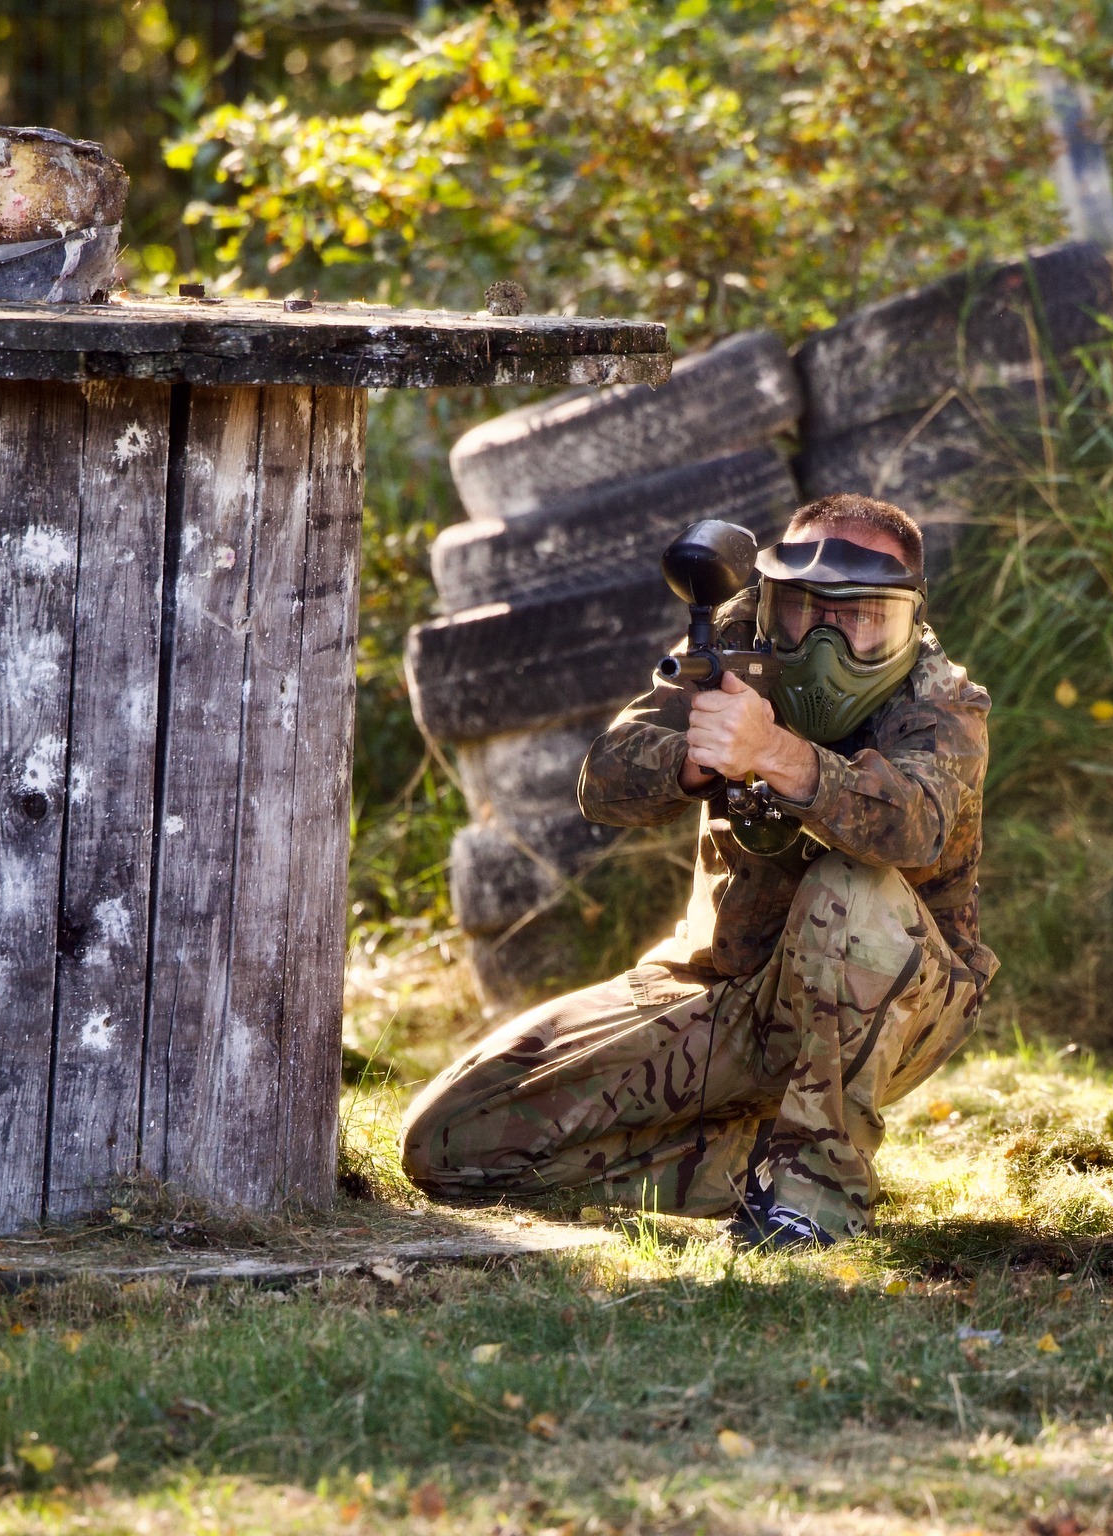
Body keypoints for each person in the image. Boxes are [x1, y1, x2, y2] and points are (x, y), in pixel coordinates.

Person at [401, 493, 996, 1250]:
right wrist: (693, 759)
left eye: (863, 616)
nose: (828, 640)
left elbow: (916, 828)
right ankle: (749, 1166)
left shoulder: (942, 701)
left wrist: (775, 755)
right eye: (804, 610)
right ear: (771, 597)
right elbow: (603, 780)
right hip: (718, 984)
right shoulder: (737, 644)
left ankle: (818, 1199)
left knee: (850, 888)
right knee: (447, 1142)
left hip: (894, 1004)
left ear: (910, 616)